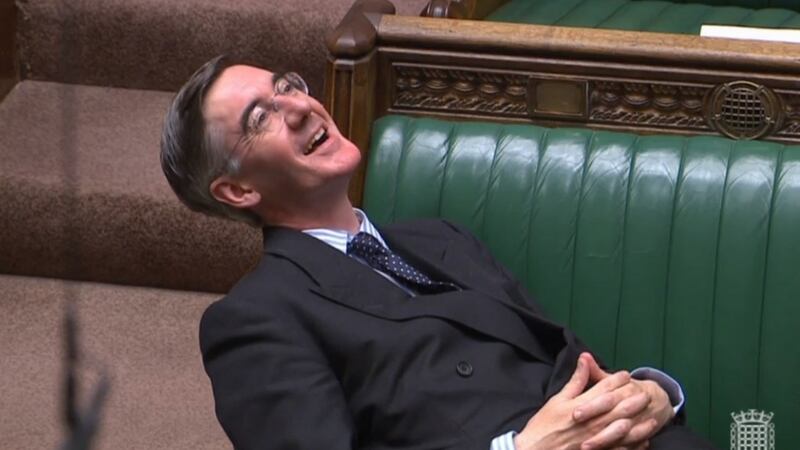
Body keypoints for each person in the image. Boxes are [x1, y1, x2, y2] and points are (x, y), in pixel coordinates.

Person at [160, 56, 716, 450]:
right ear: (238, 191)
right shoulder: (254, 318)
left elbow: (560, 364)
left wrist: (651, 393)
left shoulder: (439, 238)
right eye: (260, 118)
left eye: (287, 86)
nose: (300, 106)